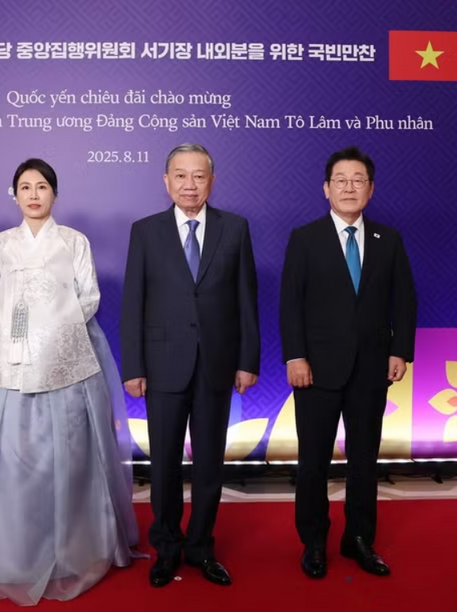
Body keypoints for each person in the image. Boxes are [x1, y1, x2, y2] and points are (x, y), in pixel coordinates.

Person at [0, 158, 140, 606]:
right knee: (6, 450)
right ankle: (4, 548)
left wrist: (52, 331)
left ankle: (70, 549)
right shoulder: (1, 244)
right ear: (15, 194)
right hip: (9, 357)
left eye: (41, 186)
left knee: (68, 450)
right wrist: (11, 324)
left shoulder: (73, 242)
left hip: (63, 357)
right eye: (24, 187)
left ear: (54, 193)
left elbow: (89, 296)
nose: (33, 194)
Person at [120, 143, 260, 588]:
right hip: (161, 366)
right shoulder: (145, 231)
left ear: (211, 181)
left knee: (209, 466)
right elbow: (132, 305)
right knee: (162, 463)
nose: (189, 184)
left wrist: (247, 360)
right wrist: (133, 367)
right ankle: (166, 548)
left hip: (217, 364)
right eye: (180, 175)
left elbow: (246, 301)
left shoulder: (234, 229)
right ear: (166, 181)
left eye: (198, 176)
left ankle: (200, 546)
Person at [279, 146, 417, 579]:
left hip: (372, 369)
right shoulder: (305, 238)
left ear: (371, 189)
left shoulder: (388, 239)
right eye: (341, 180)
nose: (349, 187)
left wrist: (400, 351)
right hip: (316, 371)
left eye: (359, 180)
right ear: (326, 188)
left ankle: (359, 540)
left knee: (364, 461)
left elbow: (405, 300)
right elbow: (290, 305)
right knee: (313, 461)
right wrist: (295, 356)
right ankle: (314, 541)